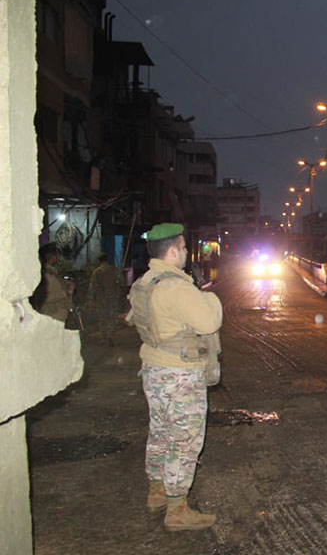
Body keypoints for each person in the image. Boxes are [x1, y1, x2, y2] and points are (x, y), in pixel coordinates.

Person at [126, 223, 222, 532]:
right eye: (181, 247)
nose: (184, 252)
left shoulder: (145, 281)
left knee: (160, 432)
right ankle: (177, 509)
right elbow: (208, 321)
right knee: (184, 440)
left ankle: (156, 493)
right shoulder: (175, 286)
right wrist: (211, 298)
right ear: (172, 251)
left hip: (154, 369)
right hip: (178, 373)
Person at [34, 243, 73, 322]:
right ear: (52, 256)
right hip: (51, 317)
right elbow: (46, 296)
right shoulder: (45, 275)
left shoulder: (52, 273)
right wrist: (67, 292)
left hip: (56, 317)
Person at [88, 253, 120, 344]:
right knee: (112, 317)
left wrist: (90, 299)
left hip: (101, 297)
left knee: (102, 318)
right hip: (112, 297)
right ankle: (110, 334)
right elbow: (121, 281)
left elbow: (92, 286)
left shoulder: (96, 272)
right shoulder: (114, 270)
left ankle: (103, 337)